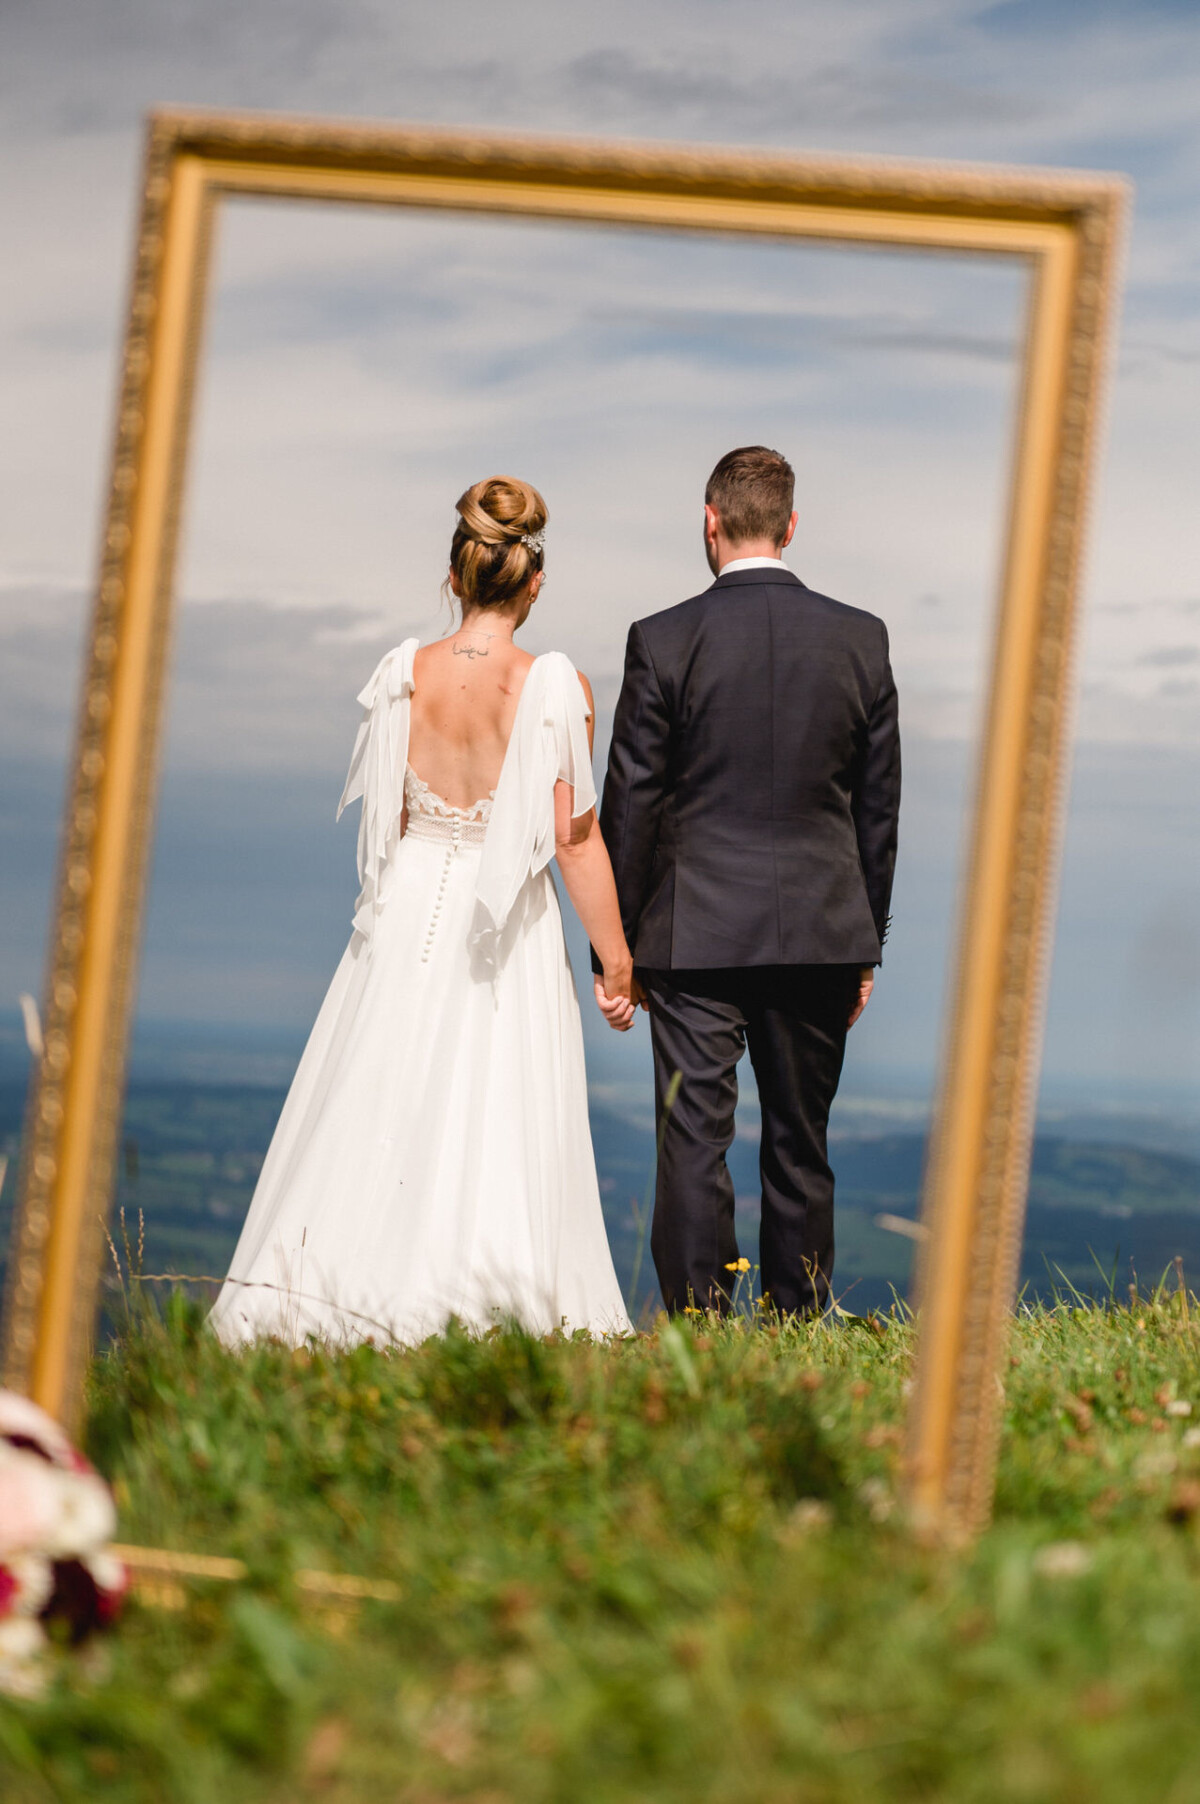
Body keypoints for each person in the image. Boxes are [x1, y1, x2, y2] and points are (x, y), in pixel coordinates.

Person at [211, 476, 635, 1347]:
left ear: (456, 575)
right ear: (534, 581)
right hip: (505, 919)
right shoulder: (553, 686)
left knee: (375, 1090)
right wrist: (616, 960)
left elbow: (389, 819)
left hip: (405, 907)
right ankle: (492, 1303)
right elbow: (575, 841)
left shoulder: (404, 674)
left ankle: (328, 1293)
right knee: (498, 1105)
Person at [598, 446, 901, 1318]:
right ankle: (798, 1318)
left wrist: (613, 946)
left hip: (690, 936)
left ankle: (700, 1320)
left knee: (692, 1140)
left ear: (711, 520)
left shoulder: (661, 640)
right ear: (791, 525)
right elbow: (877, 810)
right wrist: (865, 941)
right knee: (802, 1143)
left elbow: (635, 803)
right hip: (821, 931)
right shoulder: (862, 637)